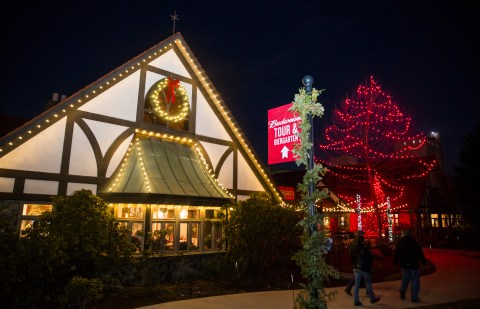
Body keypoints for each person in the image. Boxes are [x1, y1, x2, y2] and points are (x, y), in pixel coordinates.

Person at [394, 229, 427, 302]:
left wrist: (395, 263)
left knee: (405, 278)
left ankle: (402, 290)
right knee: (415, 281)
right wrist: (423, 263)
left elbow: (396, 254)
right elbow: (420, 254)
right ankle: (414, 298)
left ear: (404, 234)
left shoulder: (400, 243)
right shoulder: (415, 243)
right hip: (414, 265)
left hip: (404, 265)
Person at [350, 230, 380, 306]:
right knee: (368, 283)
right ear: (361, 236)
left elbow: (351, 257)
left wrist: (353, 264)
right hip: (364, 267)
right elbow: (368, 256)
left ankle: (356, 301)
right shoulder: (363, 245)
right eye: (363, 235)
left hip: (356, 267)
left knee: (357, 284)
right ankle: (372, 298)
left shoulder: (352, 245)